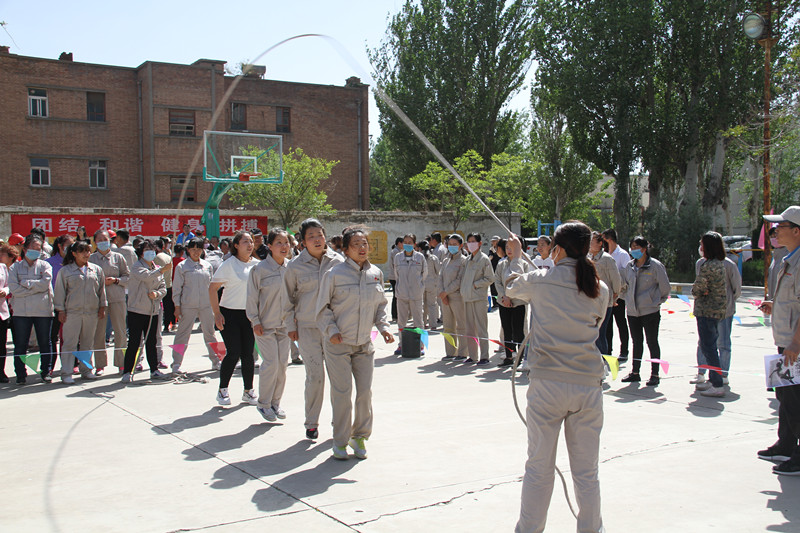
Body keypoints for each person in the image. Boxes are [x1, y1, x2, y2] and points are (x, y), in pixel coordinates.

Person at [505, 223, 609, 533]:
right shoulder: (599, 289)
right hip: (587, 385)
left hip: (547, 385)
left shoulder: (541, 280)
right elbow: (597, 323)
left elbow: (511, 287)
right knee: (587, 473)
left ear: (558, 249)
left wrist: (517, 257)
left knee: (539, 467)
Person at [316, 228, 394, 460]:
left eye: (365, 243)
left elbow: (380, 305)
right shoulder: (334, 274)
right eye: (356, 244)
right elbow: (322, 308)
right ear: (346, 249)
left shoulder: (375, 273)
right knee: (342, 393)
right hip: (338, 344)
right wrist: (332, 331)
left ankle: (359, 436)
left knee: (364, 393)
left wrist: (384, 328)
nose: (362, 248)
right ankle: (340, 441)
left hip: (364, 344)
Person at [284, 218, 344, 439]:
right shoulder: (294, 266)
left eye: (320, 235)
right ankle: (311, 422)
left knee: (338, 378)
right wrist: (291, 326)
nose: (317, 240)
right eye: (311, 237)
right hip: (307, 328)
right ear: (303, 241)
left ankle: (339, 422)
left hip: (334, 329)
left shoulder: (338, 261)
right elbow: (287, 299)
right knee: (315, 377)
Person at [758, 206, 800, 475]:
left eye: (780, 227)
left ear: (796, 231)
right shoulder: (789, 258)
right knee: (785, 395)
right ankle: (785, 444)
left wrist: (796, 343)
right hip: (786, 341)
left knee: (796, 399)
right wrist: (776, 306)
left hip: (795, 345)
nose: (774, 232)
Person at [209, 231, 260, 405]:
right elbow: (212, 288)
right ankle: (222, 390)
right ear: (236, 245)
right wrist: (217, 313)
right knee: (233, 352)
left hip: (249, 315)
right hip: (229, 314)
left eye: (251, 241)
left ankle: (248, 391)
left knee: (248, 354)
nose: (250, 244)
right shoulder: (229, 264)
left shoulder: (257, 265)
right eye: (245, 241)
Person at [247, 228, 292, 420]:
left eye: (286, 242)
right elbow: (251, 298)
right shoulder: (259, 270)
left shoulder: (292, 268)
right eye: (279, 243)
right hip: (264, 325)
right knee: (271, 363)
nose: (284, 246)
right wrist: (255, 320)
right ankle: (263, 403)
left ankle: (275, 403)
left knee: (282, 365)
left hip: (285, 326)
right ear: (270, 246)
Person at [690, 236, 742, 387]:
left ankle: (722, 375)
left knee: (722, 343)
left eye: (702, 245)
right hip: (706, 311)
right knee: (704, 343)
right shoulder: (701, 263)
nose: (700, 248)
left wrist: (726, 302)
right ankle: (702, 372)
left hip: (723, 311)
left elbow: (736, 288)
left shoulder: (728, 265)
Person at [620, 236, 671, 386]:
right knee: (636, 342)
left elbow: (665, 287)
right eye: (632, 247)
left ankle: (655, 374)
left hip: (650, 311)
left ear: (644, 249)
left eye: (636, 247)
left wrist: (655, 301)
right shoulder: (629, 266)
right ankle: (635, 372)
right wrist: (627, 299)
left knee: (652, 342)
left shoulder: (655, 266)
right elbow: (624, 285)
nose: (633, 250)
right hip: (632, 311)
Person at [54, 241, 107, 384]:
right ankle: (66, 372)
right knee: (69, 343)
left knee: (87, 343)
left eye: (88, 251)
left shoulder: (96, 270)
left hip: (91, 312)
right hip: (72, 312)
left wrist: (102, 307)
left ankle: (86, 370)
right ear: (74, 254)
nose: (86, 254)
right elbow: (60, 292)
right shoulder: (65, 271)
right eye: (82, 251)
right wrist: (61, 310)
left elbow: (101, 290)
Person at [120, 240, 169, 383]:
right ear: (141, 253)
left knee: (151, 341)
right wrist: (162, 270)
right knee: (134, 342)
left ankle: (154, 369)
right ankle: (127, 371)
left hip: (153, 310)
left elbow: (163, 288)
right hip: (137, 310)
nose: (150, 253)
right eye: (147, 250)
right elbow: (147, 276)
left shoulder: (157, 268)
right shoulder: (137, 267)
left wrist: (157, 294)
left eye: (152, 250)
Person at [8, 234, 54, 384]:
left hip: (43, 311)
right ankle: (20, 374)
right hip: (22, 312)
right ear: (25, 249)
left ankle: (46, 371)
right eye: (33, 248)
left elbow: (45, 284)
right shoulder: (15, 267)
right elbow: (14, 289)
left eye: (39, 248)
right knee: (21, 344)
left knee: (44, 342)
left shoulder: (45, 266)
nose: (36, 251)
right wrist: (35, 287)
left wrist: (25, 284)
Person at [171, 237, 219, 373]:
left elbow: (212, 287)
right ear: (188, 250)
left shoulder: (207, 266)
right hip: (188, 305)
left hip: (206, 305)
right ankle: (176, 363)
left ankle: (217, 360)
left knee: (210, 333)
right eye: (193, 249)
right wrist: (177, 306)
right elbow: (177, 288)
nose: (196, 252)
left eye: (198, 249)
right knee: (182, 335)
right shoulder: (182, 267)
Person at [690, 231, 729, 398]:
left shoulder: (708, 266)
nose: (700, 247)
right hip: (716, 311)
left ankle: (717, 383)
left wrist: (698, 291)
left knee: (709, 347)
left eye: (702, 244)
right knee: (710, 346)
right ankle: (714, 379)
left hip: (706, 311)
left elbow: (697, 289)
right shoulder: (720, 264)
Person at [90, 230, 129, 375]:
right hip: (98, 300)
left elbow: (127, 277)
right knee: (99, 332)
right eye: (99, 239)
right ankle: (100, 365)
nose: (102, 242)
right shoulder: (91, 259)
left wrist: (116, 280)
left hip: (117, 298)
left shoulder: (118, 257)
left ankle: (122, 363)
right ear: (95, 242)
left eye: (105, 239)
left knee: (120, 331)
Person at [460, 232, 494, 365]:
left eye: (473, 241)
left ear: (479, 243)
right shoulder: (467, 259)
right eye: (469, 242)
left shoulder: (484, 259)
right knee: (469, 329)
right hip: (467, 298)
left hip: (479, 298)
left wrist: (476, 284)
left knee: (481, 328)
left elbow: (490, 278)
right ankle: (472, 355)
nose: (470, 244)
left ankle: (484, 356)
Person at [494, 238, 529, 367]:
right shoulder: (501, 264)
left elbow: (523, 282)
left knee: (518, 331)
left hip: (518, 302)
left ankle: (520, 357)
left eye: (512, 247)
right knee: (506, 329)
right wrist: (504, 296)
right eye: (507, 247)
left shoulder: (524, 264)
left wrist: (511, 296)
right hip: (504, 302)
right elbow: (497, 281)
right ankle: (509, 356)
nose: (509, 250)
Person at [392, 233, 427, 355]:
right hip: (402, 294)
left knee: (418, 321)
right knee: (401, 321)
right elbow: (396, 274)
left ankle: (421, 345)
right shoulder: (397, 257)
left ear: (414, 244)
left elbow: (424, 274)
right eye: (405, 242)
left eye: (410, 243)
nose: (407, 244)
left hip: (416, 294)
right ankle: (401, 344)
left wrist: (418, 286)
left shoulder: (420, 257)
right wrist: (401, 286)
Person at [589, 231, 622, 355]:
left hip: (604, 302)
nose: (589, 244)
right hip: (590, 301)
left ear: (600, 243)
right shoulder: (588, 258)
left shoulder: (607, 259)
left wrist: (614, 296)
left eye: (592, 241)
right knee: (592, 334)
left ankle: (604, 359)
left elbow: (616, 280)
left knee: (601, 333)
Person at [602, 228, 632, 362]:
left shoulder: (622, 255)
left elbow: (626, 275)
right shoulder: (603, 254)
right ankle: (607, 351)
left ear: (609, 240)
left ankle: (624, 351)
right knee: (607, 325)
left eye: (603, 240)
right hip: (606, 296)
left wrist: (617, 291)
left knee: (621, 323)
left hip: (619, 295)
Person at [47, 234, 74, 371]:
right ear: (60, 246)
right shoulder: (49, 263)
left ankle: (72, 364)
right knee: (52, 336)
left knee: (70, 337)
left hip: (71, 304)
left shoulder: (74, 262)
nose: (71, 248)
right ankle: (50, 366)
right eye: (68, 245)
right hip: (53, 304)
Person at [440, 234, 469, 361]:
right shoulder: (446, 260)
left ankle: (463, 352)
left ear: (460, 246)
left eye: (454, 244)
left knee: (461, 325)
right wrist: (442, 294)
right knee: (448, 326)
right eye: (449, 244)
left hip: (457, 297)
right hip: (444, 298)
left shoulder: (463, 261)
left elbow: (459, 280)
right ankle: (451, 352)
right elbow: (440, 277)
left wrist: (446, 292)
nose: (451, 246)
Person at [0, 244, 16, 383]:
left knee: (1, 344)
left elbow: (8, 285)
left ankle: (1, 372)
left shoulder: (3, 267)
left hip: (2, 312)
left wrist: (5, 291)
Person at [418, 241, 441, 330]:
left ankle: (423, 323)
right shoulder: (433, 258)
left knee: (422, 305)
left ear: (420, 248)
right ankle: (433, 324)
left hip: (421, 283)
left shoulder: (418, 258)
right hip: (432, 284)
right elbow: (438, 270)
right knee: (432, 304)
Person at [388, 236, 403, 321]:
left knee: (397, 296)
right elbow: (396, 265)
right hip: (394, 277)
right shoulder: (396, 252)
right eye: (403, 243)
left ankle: (396, 314)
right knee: (396, 296)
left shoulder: (397, 251)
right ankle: (395, 315)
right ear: (399, 243)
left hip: (395, 276)